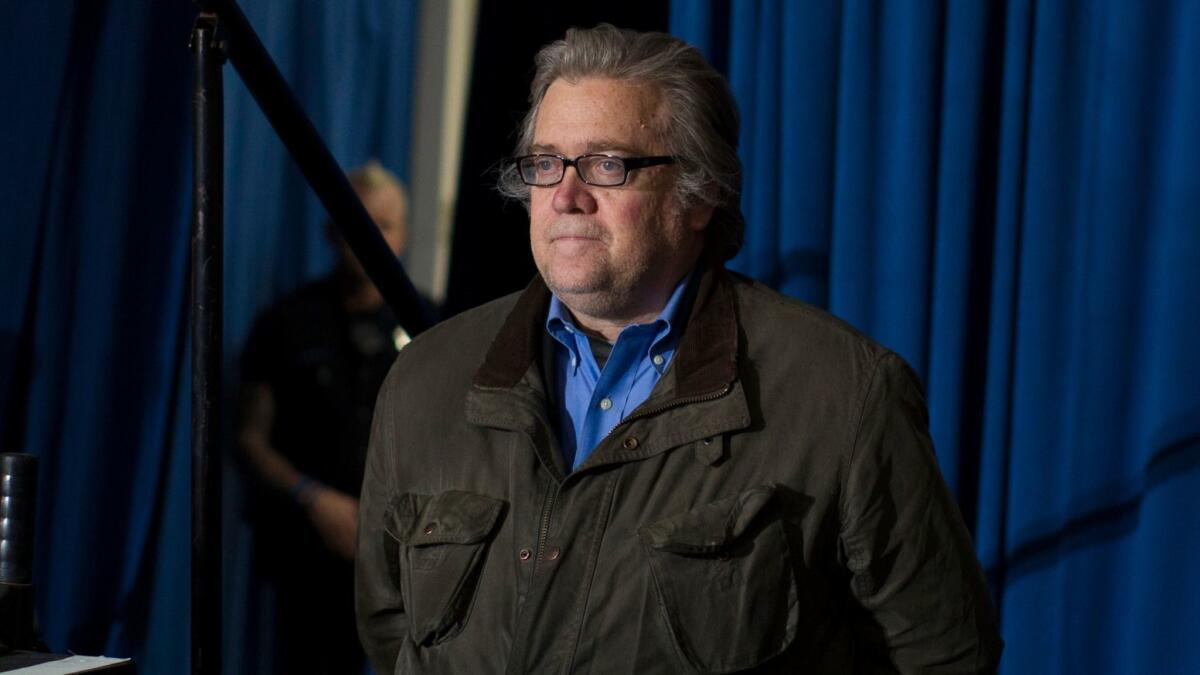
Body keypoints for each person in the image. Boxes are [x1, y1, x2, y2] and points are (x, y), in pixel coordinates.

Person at [356, 25, 1002, 674]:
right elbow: (392, 630)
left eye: (607, 164)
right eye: (546, 163)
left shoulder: (843, 394)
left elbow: (946, 655)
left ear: (699, 194)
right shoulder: (425, 381)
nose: (566, 197)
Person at [239, 161, 410, 673]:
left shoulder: (432, 326)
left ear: (403, 236)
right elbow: (249, 438)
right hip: (304, 561)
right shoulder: (286, 323)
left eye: (383, 225)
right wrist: (311, 499)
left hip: (399, 564)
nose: (369, 238)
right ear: (331, 231)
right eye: (357, 222)